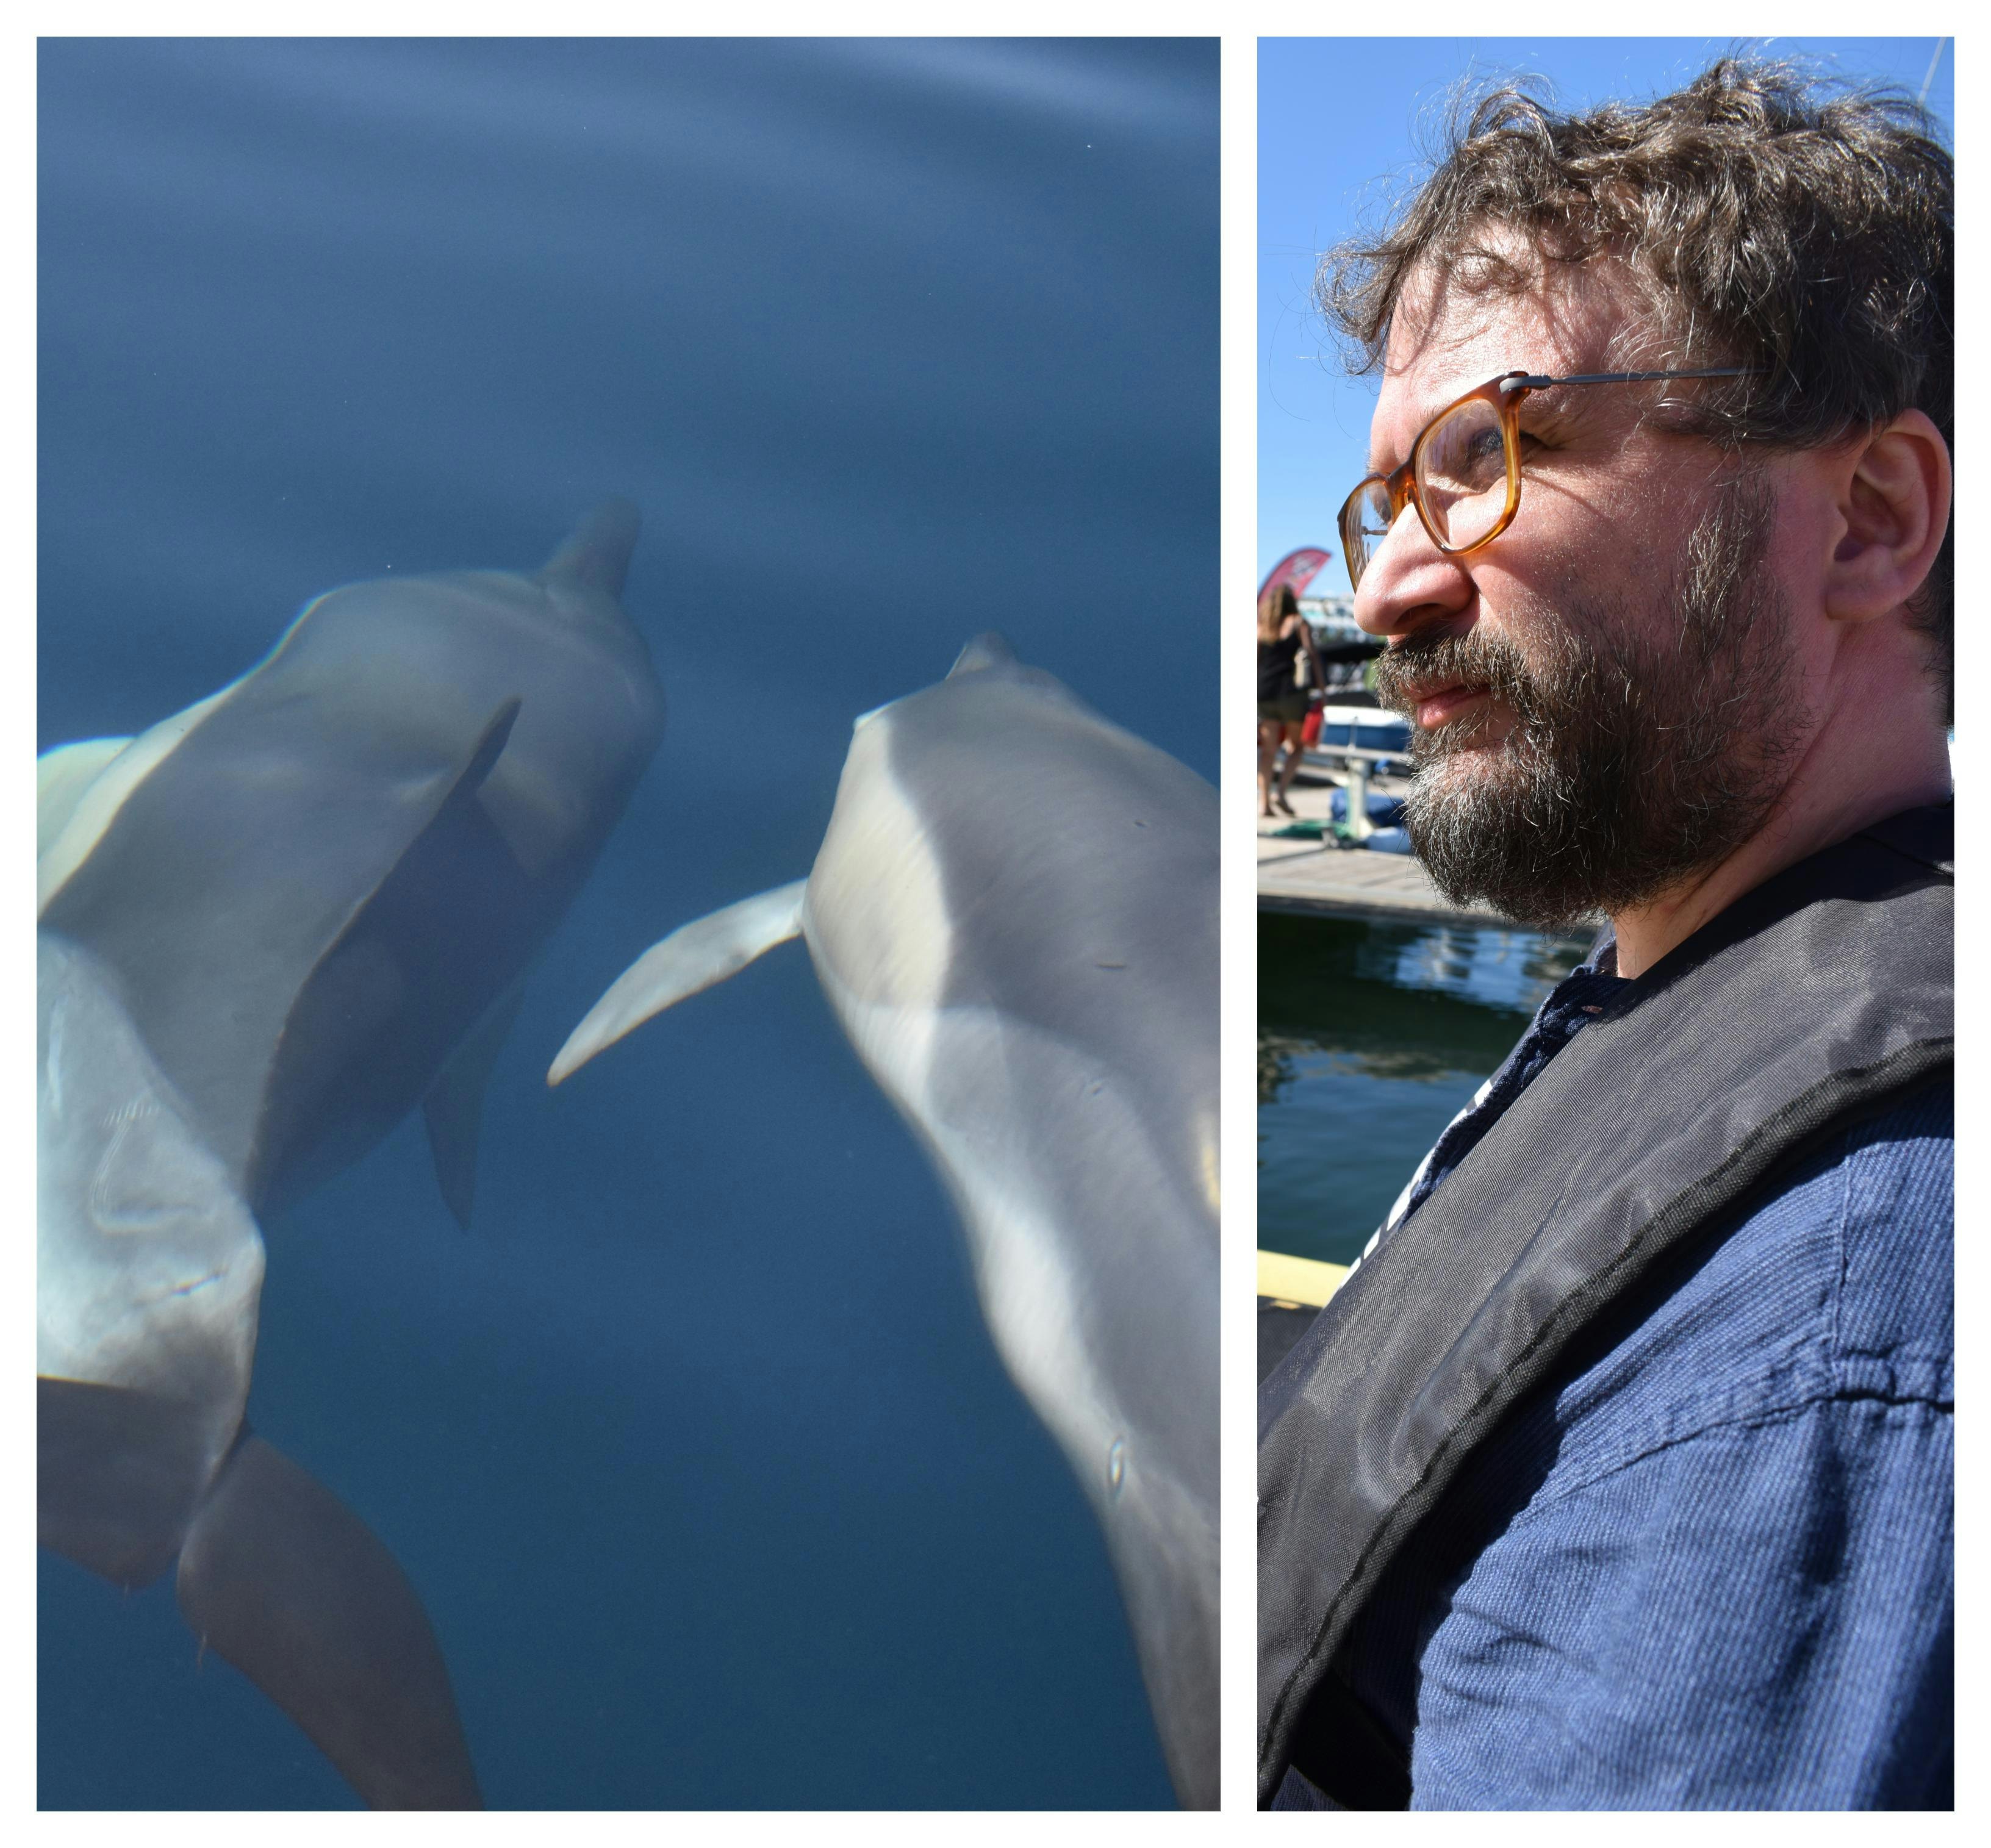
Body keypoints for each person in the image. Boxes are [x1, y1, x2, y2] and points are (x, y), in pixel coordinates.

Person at [1258, 59, 1952, 1810]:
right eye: (1392, 496)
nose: (1390, 586)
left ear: (1867, 524)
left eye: (1498, 453)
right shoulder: (1691, 967)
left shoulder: (1843, 1306)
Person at [1258, 582, 1326, 817]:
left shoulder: (1261, 627)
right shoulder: (1298, 623)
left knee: (1268, 751)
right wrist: (1322, 688)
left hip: (1264, 693)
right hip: (1291, 693)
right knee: (1296, 747)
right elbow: (1312, 655)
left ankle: (1264, 803)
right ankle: (1281, 792)